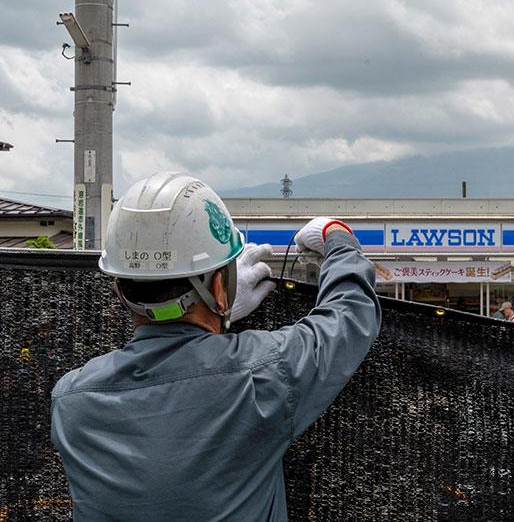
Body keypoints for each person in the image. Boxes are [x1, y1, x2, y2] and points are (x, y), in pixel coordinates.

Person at [50, 172, 382, 520]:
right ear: (221, 286)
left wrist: (215, 314)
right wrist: (337, 237)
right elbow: (350, 315)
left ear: (119, 289)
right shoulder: (261, 376)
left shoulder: (71, 401)